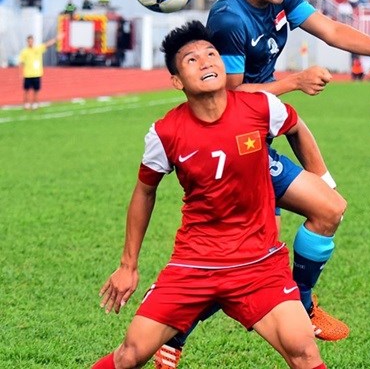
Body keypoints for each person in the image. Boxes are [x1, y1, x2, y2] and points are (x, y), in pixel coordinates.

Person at [154, 0, 370, 366]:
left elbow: (333, 31)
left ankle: (181, 331)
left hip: (258, 137)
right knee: (282, 239)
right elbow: (227, 97)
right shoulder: (229, 21)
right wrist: (294, 82)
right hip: (233, 150)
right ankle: (273, 310)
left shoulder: (277, 0)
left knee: (282, 240)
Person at [91, 20, 330, 369]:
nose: (205, 62)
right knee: (130, 355)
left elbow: (295, 128)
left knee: (304, 350)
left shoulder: (262, 108)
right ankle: (172, 336)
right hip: (194, 264)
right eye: (191, 59)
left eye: (211, 53)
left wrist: (321, 179)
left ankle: (178, 338)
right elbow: (145, 191)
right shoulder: (164, 133)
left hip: (258, 265)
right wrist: (128, 265)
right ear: (176, 80)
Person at [18, 34, 58, 110]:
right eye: (29, 41)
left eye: (31, 41)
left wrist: (56, 38)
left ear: (33, 41)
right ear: (27, 42)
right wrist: (20, 73)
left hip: (36, 73)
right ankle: (26, 104)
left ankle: (35, 104)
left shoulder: (38, 49)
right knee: (26, 90)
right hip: (28, 74)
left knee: (36, 90)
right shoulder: (24, 51)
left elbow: (47, 44)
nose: (30, 42)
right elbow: (21, 63)